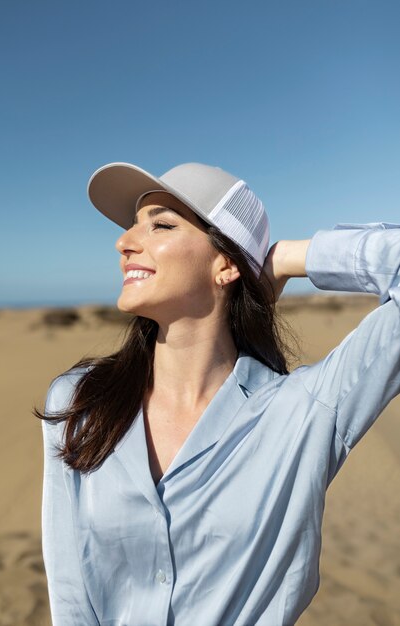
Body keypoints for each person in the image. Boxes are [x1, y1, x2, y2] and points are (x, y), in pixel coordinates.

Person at [38, 161, 400, 626]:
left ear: (225, 264)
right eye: (132, 226)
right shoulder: (78, 401)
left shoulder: (304, 411)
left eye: (161, 224)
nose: (124, 242)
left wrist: (288, 257)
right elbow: (70, 595)